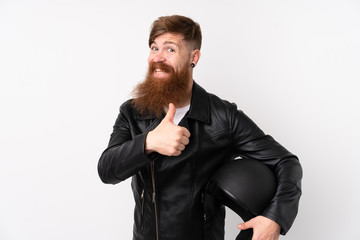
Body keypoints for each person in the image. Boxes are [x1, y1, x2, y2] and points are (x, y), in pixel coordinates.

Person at [98, 15, 302, 240]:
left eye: (170, 50)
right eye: (154, 47)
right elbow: (107, 170)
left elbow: (286, 162)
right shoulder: (132, 112)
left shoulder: (224, 117)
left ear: (193, 57)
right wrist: (148, 142)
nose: (158, 57)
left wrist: (275, 218)